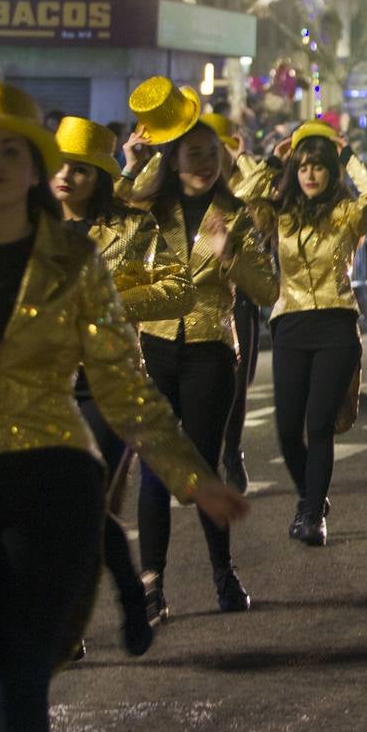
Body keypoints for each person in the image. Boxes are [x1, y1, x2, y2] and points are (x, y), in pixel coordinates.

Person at [0, 80, 248, 732]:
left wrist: (194, 477)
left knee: (21, 678)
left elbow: (125, 383)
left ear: (34, 167)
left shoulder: (78, 259)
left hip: (49, 481)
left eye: (12, 149)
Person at [118, 77, 277, 617]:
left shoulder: (234, 214)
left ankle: (223, 575)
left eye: (212, 152)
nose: (205, 161)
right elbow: (111, 227)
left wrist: (229, 252)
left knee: (203, 469)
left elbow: (267, 290)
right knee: (156, 470)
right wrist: (129, 164)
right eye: (193, 152)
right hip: (155, 350)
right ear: (173, 155)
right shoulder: (151, 211)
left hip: (211, 351)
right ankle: (151, 585)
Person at [50, 115, 194, 658]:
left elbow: (178, 288)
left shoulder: (133, 229)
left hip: (106, 384)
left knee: (85, 500)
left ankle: (90, 614)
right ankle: (102, 604)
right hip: (40, 386)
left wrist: (111, 303)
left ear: (101, 178)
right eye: (60, 167)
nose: (67, 177)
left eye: (81, 170)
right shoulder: (26, 227)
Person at [237, 120, 367, 546]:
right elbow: (245, 197)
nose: (310, 174)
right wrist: (272, 160)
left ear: (330, 171)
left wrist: (347, 156)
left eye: (319, 166)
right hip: (290, 324)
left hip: (336, 324)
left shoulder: (347, 216)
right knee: (287, 428)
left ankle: (311, 513)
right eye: (303, 167)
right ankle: (311, 497)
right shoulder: (280, 216)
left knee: (317, 424)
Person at [202, 111, 258, 494]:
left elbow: (262, 195)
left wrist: (244, 159)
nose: (211, 159)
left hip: (240, 297)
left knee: (238, 385)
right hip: (194, 303)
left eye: (219, 149)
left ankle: (232, 450)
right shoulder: (186, 187)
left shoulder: (240, 187)